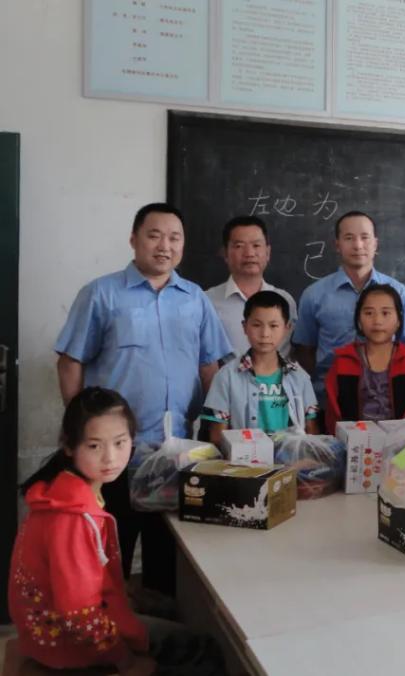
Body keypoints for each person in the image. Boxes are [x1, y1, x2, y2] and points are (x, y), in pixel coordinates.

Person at [54, 202, 233, 595]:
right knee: (108, 548)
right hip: (114, 451)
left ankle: (159, 617)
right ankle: (104, 621)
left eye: (174, 238)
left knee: (166, 548)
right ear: (134, 240)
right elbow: (70, 362)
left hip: (175, 448)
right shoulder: (101, 294)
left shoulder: (194, 299)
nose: (164, 246)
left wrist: (210, 431)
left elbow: (210, 366)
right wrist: (80, 429)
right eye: (154, 236)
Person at [8, 387, 225, 675]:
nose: (110, 458)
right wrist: (127, 662)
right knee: (205, 649)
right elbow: (79, 614)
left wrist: (124, 594)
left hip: (55, 627)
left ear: (132, 440)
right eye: (94, 446)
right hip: (65, 641)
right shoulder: (71, 519)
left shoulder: (69, 489)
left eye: (120, 443)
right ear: (69, 446)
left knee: (166, 606)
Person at [293, 211, 405, 406]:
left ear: (375, 243)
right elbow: (305, 350)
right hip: (329, 399)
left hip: (388, 401)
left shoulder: (398, 292)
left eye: (365, 237)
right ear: (337, 245)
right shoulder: (314, 295)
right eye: (349, 238)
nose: (358, 245)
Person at [202, 291, 319, 447]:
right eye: (256, 325)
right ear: (244, 327)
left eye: (273, 326)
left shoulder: (300, 377)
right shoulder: (226, 377)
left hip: (289, 459)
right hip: (243, 459)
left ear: (287, 328)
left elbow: (312, 431)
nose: (265, 334)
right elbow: (217, 437)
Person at [324, 284, 405, 430]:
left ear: (398, 320)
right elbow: (333, 415)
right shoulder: (343, 362)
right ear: (359, 320)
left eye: (385, 313)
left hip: (402, 441)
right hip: (352, 441)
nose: (377, 321)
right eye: (368, 313)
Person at [205, 215, 297, 358]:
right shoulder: (207, 301)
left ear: (267, 253)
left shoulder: (285, 300)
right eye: (239, 246)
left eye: (256, 245)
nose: (249, 253)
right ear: (225, 254)